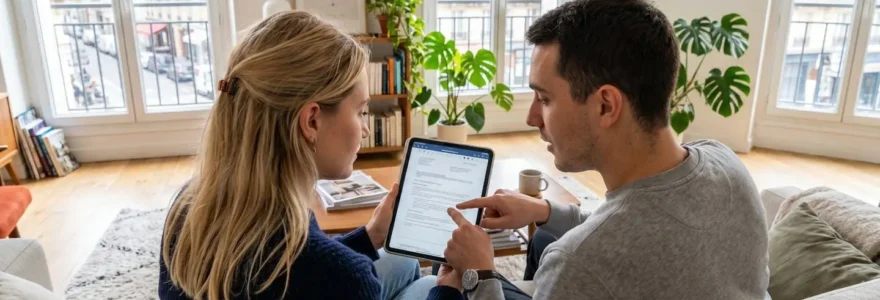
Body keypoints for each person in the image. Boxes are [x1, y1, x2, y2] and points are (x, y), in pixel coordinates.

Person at [428, 0, 770, 299]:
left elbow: (613, 242)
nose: (533, 117)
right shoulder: (725, 162)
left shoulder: (578, 264)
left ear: (606, 105)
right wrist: (544, 211)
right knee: (542, 241)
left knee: (442, 279)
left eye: (545, 99)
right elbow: (639, 226)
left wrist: (478, 274)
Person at [158, 11, 438, 300]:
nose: (366, 129)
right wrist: (456, 284)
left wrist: (370, 236)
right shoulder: (349, 279)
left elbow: (291, 269)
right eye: (360, 111)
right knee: (430, 286)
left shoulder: (187, 209)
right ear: (311, 121)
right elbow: (322, 273)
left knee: (402, 260)